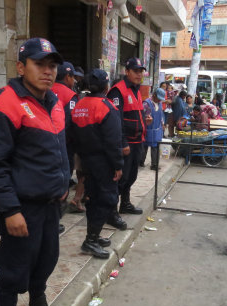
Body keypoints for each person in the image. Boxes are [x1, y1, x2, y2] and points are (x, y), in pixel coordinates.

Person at [0, 38, 70, 306]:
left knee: (46, 260)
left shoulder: (54, 101)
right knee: (13, 272)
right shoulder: (3, 103)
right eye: (39, 64)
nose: (48, 71)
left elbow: (55, 149)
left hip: (49, 205)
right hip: (21, 207)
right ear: (20, 66)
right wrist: (9, 209)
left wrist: (64, 182)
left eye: (52, 65)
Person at [71, 69, 123, 259]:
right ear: (106, 86)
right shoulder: (107, 107)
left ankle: (93, 235)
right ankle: (91, 241)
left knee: (92, 197)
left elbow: (72, 135)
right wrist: (118, 165)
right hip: (104, 162)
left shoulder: (79, 105)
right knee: (107, 199)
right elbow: (113, 141)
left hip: (85, 161)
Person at [107, 57, 152, 227]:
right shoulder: (118, 91)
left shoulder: (136, 90)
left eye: (141, 71)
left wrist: (144, 121)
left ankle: (125, 204)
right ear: (127, 72)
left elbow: (134, 114)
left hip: (137, 141)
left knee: (131, 176)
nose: (139, 74)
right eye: (136, 71)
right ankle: (111, 213)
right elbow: (116, 120)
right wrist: (123, 143)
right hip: (125, 144)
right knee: (120, 179)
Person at [52, 61, 84, 219]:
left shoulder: (46, 89)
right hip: (64, 144)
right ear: (68, 76)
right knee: (63, 178)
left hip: (44, 142)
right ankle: (56, 216)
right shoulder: (70, 95)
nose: (75, 81)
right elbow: (71, 121)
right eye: (73, 77)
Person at [140, 88, 166, 170]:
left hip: (157, 129)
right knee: (144, 146)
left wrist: (163, 124)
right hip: (147, 129)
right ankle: (140, 162)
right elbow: (141, 116)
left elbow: (161, 115)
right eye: (159, 98)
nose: (159, 100)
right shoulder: (146, 104)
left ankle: (154, 165)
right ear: (154, 95)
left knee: (155, 147)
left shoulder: (160, 103)